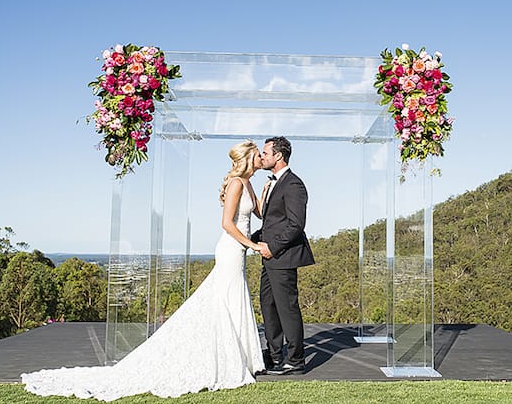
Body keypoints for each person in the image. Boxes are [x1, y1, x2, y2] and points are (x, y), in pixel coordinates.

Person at [21, 141, 266, 400]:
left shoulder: (248, 183)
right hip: (230, 249)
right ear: (249, 157)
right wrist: (252, 245)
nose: (262, 157)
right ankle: (227, 361)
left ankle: (239, 359)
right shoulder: (237, 183)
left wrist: (266, 187)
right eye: (259, 154)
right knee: (226, 301)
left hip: (238, 251)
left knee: (232, 300)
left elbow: (259, 212)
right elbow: (227, 223)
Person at [252, 136, 315, 375]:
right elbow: (273, 223)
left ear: (278, 156)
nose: (262, 157)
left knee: (287, 309)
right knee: (268, 306)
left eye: (266, 153)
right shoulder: (274, 183)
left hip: (283, 256)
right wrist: (250, 238)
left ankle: (296, 360)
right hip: (269, 258)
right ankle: (276, 356)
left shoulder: (293, 184)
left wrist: (272, 247)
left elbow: (295, 224)